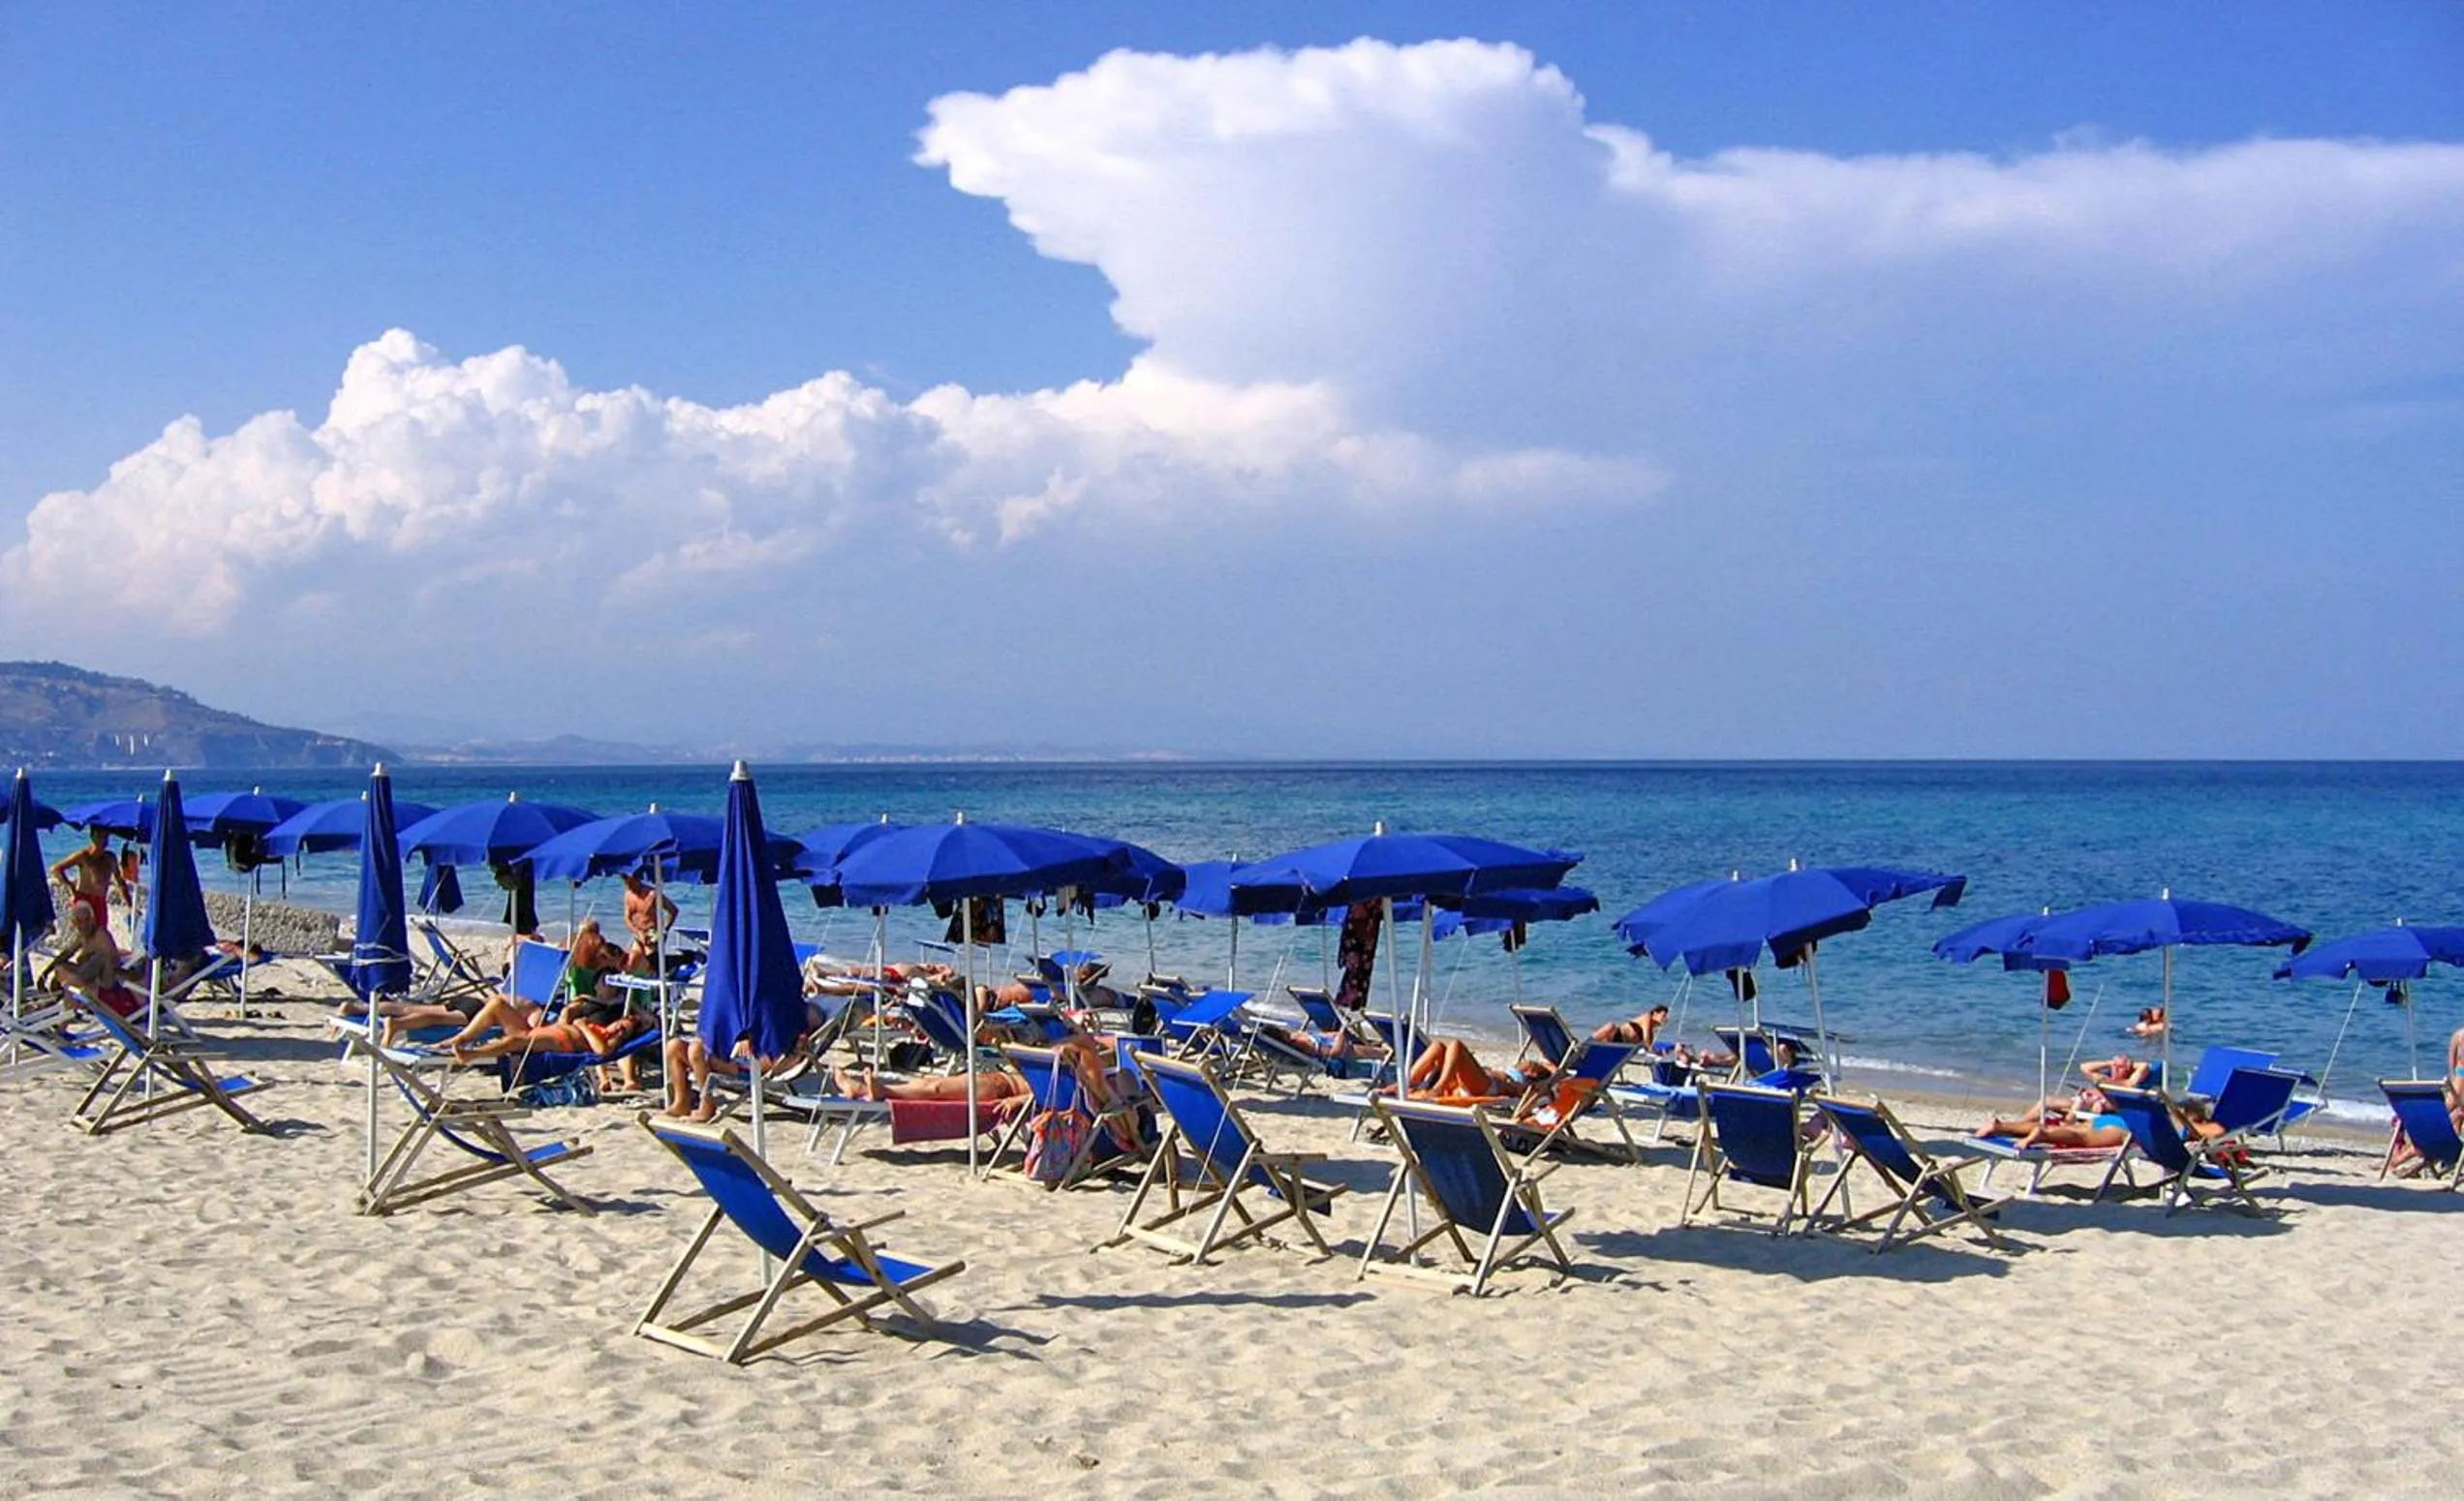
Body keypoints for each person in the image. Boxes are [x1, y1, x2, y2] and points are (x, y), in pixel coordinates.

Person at [38, 904, 143, 1020]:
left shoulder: (101, 936)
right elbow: (66, 954)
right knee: (60, 968)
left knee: (63, 973)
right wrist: (44, 974)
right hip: (89, 977)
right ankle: (53, 1004)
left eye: (87, 920)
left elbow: (113, 967)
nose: (84, 925)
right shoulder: (83, 936)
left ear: (93, 920)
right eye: (79, 921)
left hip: (104, 985)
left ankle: (60, 1009)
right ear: (74, 923)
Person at [1399, 1037, 1554, 1106]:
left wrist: (1555, 1075)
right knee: (1438, 1046)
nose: (1524, 1061)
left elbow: (1532, 1091)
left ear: (1531, 1073)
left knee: (1456, 1045)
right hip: (1469, 1083)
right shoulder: (1515, 1073)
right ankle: (1404, 1084)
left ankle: (1438, 1088)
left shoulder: (1524, 1083)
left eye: (1529, 1063)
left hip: (1486, 1087)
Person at [49, 827, 127, 936]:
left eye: (106, 837)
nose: (103, 841)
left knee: (100, 936)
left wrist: (129, 904)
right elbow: (56, 869)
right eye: (100, 836)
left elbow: (120, 882)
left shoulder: (111, 858)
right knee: (80, 937)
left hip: (100, 902)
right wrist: (70, 886)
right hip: (83, 899)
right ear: (92, 837)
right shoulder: (83, 856)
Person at [620, 872, 678, 971]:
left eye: (630, 884)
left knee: (653, 962)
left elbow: (673, 910)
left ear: (637, 880)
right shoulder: (628, 895)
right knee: (630, 963)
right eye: (626, 884)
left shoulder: (652, 894)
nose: (629, 887)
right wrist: (637, 932)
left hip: (653, 934)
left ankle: (676, 966)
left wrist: (664, 930)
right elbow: (627, 918)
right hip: (638, 933)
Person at [1593, 1003, 1671, 1049]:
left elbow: (1649, 1046)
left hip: (1622, 1047)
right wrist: (1652, 1049)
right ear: (1654, 1014)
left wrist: (1656, 1051)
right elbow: (1647, 1039)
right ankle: (1586, 1044)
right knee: (1611, 1026)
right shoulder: (1647, 1018)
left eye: (1666, 1017)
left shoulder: (1651, 1031)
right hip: (1616, 1036)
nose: (1665, 1018)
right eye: (1663, 1016)